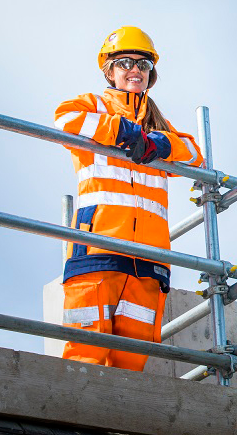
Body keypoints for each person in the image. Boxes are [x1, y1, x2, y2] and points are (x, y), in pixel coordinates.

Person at [54, 26, 203, 371]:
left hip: (148, 259)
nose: (135, 70)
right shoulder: (94, 106)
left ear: (151, 74)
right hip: (98, 247)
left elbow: (196, 156)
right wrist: (122, 131)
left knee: (132, 360)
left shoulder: (159, 125)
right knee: (85, 350)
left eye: (143, 64)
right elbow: (65, 119)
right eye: (124, 62)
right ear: (109, 70)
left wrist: (160, 144)